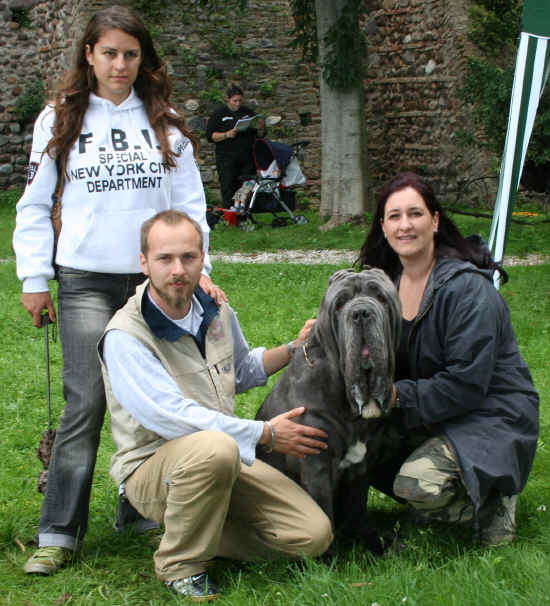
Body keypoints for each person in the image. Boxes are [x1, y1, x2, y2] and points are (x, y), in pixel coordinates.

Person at [13, 5, 225, 576]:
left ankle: (142, 504)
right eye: (109, 53)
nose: (120, 64)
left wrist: (197, 267)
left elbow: (193, 207)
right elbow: (34, 205)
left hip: (153, 279)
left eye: (130, 54)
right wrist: (35, 277)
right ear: (88, 54)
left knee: (158, 396)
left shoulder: (166, 121)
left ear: (142, 59)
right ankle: (58, 531)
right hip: (83, 276)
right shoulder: (59, 118)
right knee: (87, 399)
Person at [99, 210, 333, 600]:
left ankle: (196, 527)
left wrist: (295, 349)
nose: (178, 269)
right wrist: (266, 434)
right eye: (165, 259)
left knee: (313, 536)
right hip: (153, 468)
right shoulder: (125, 335)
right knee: (216, 447)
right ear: (144, 263)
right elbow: (171, 417)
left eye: (188, 257)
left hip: (220, 455)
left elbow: (239, 370)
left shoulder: (216, 310)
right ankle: (180, 564)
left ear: (202, 256)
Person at [356, 172, 539, 545]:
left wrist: (396, 397)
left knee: (416, 485)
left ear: (435, 221)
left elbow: (467, 385)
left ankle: (493, 506)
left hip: (489, 413)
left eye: (415, 214)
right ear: (383, 227)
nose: (405, 225)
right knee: (355, 452)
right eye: (394, 216)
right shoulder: (384, 285)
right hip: (432, 409)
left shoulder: (467, 291)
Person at [206, 84, 265, 209]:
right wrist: (227, 134)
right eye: (235, 101)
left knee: (246, 186)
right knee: (228, 185)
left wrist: (261, 127)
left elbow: (259, 135)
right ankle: (229, 214)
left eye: (240, 101)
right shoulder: (218, 114)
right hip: (226, 158)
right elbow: (210, 136)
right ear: (227, 99)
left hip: (246, 157)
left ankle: (243, 211)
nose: (238, 104)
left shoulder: (247, 112)